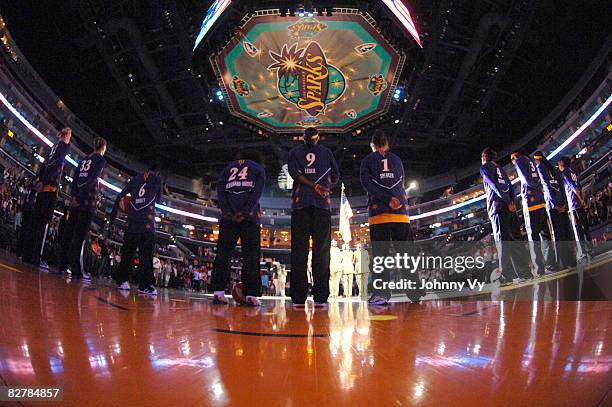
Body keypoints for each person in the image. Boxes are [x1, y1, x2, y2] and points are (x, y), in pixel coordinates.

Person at [360, 129, 419, 305]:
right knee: (407, 254)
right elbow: (400, 183)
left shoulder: (367, 161)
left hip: (380, 215)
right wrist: (396, 200)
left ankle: (382, 294)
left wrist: (386, 199)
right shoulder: (397, 160)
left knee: (381, 257)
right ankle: (415, 292)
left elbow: (367, 184)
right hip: (401, 214)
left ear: (373, 145)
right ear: (387, 144)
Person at [287, 127, 339, 309]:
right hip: (320, 205)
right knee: (321, 253)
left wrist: (319, 185)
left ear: (304, 138)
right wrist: (323, 186)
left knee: (300, 252)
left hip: (301, 204)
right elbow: (335, 176)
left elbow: (295, 174)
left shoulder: (294, 152)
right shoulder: (326, 152)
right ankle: (320, 297)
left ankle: (299, 298)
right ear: (317, 139)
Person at [210, 150, 265, 306]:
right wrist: (246, 211)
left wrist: (227, 211)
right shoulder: (258, 168)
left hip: (228, 218)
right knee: (251, 256)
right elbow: (257, 192)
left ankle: (218, 293)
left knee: (223, 254)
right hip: (250, 218)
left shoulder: (228, 168)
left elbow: (220, 191)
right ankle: (251, 295)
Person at [109, 164, 164, 296]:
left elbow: (120, 195)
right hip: (146, 223)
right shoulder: (157, 179)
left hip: (132, 222)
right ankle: (144, 285)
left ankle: (122, 281)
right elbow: (159, 199)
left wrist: (112, 216)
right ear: (158, 172)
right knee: (146, 256)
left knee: (128, 254)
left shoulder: (134, 179)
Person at [59, 137, 107, 279]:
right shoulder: (100, 160)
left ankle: (63, 264)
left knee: (69, 234)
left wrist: (74, 197)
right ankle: (77, 269)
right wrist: (80, 198)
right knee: (80, 237)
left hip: (76, 201)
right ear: (103, 147)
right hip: (86, 203)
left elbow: (75, 180)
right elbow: (91, 180)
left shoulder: (84, 159)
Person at [480, 147, 530, 283]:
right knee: (513, 240)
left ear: (485, 157)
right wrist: (513, 202)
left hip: (498, 206)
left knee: (502, 242)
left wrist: (507, 201)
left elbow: (493, 185)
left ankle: (506, 275)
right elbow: (510, 185)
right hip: (510, 207)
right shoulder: (500, 168)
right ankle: (524, 271)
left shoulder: (485, 167)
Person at [28, 128, 72, 266]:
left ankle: (30, 254)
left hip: (43, 188)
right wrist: (45, 181)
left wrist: (40, 180)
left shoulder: (52, 147)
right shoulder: (63, 146)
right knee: (44, 224)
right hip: (50, 188)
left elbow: (44, 165)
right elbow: (55, 165)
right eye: (70, 135)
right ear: (66, 135)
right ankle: (37, 256)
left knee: (37, 222)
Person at [510, 151, 554, 275]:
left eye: (512, 160)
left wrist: (531, 189)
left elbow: (526, 179)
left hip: (531, 204)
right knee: (546, 236)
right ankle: (550, 264)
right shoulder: (531, 161)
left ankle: (539, 269)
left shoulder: (519, 161)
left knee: (533, 238)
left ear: (515, 157)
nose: (513, 162)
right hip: (540, 201)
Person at [533, 151, 575, 269]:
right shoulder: (552, 168)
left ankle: (562, 263)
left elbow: (546, 185)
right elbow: (561, 186)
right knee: (566, 233)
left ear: (537, 159)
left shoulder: (540, 167)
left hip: (553, 206)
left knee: (557, 235)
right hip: (562, 202)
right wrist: (564, 204)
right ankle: (571, 260)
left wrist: (555, 204)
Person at [558, 156, 593, 259]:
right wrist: (582, 200)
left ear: (562, 163)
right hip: (579, 203)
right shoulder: (572, 171)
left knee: (578, 229)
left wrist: (580, 199)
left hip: (574, 204)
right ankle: (590, 250)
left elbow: (573, 187)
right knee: (585, 228)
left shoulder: (565, 173)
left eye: (559, 163)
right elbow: (578, 186)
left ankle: (582, 253)